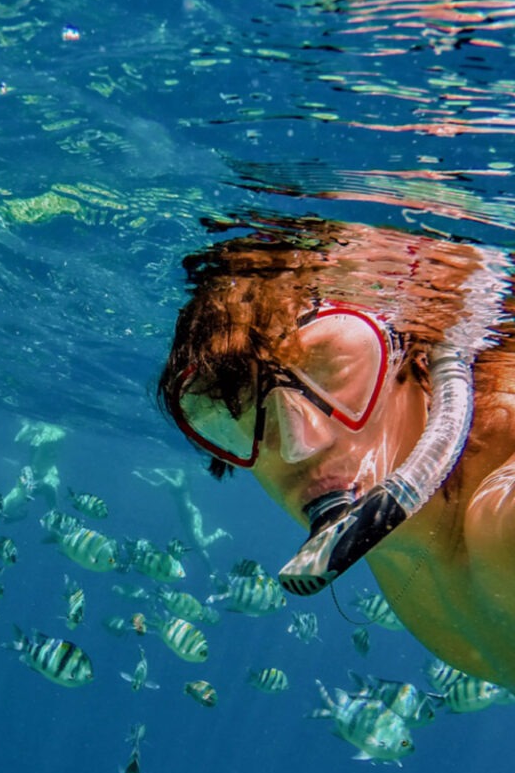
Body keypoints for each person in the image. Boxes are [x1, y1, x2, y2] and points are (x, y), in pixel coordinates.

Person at [157, 218, 515, 688]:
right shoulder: (405, 538)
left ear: (417, 356)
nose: (301, 444)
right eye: (243, 411)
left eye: (334, 370)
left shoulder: (498, 520)